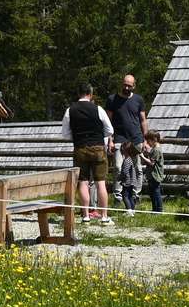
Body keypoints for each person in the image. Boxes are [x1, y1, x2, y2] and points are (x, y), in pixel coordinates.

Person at [61, 82, 115, 224]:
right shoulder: (98, 109)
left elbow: (65, 135)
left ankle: (85, 215)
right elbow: (110, 130)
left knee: (83, 182)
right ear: (90, 94)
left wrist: (78, 137)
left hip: (80, 148)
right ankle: (104, 216)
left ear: (78, 94)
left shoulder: (69, 111)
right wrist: (98, 135)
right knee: (100, 183)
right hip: (97, 148)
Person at [105, 75, 148, 210]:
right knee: (118, 167)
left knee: (138, 169)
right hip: (119, 138)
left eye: (129, 85)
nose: (126, 87)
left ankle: (136, 195)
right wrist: (110, 140)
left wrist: (145, 139)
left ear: (134, 86)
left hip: (136, 139)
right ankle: (118, 197)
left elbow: (143, 120)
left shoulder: (138, 100)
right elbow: (108, 122)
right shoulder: (112, 99)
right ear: (121, 84)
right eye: (125, 84)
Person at [143, 131, 167, 214]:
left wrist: (142, 156)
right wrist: (148, 153)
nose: (148, 143)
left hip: (155, 175)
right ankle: (154, 209)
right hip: (152, 175)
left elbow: (152, 163)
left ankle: (159, 209)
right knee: (152, 192)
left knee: (156, 192)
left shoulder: (156, 150)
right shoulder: (155, 149)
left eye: (149, 141)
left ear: (154, 139)